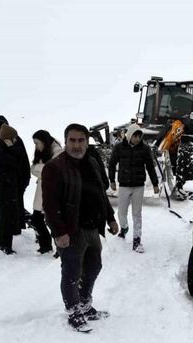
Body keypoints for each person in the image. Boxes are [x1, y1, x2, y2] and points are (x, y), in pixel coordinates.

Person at [42, 123, 119, 331]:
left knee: (94, 267)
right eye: (72, 141)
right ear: (65, 142)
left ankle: (85, 303)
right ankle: (73, 310)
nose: (77, 145)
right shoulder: (54, 168)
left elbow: (100, 194)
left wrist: (110, 218)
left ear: (87, 141)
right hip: (71, 231)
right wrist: (59, 232)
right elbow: (49, 205)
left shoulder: (92, 162)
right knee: (72, 272)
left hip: (93, 228)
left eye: (81, 140)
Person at [108, 124, 160, 253]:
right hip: (124, 185)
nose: (137, 139)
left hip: (138, 186)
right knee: (121, 212)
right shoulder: (119, 148)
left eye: (139, 136)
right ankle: (124, 228)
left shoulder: (144, 148)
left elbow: (150, 167)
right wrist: (112, 180)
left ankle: (137, 240)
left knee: (137, 214)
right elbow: (112, 164)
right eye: (135, 136)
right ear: (130, 135)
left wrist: (155, 184)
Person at [0, 115, 31, 229]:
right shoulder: (6, 140)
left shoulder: (13, 139)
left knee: (16, 205)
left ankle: (25, 224)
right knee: (15, 206)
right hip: (12, 180)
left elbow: (20, 160)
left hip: (18, 179)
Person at [0, 124, 24, 254]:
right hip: (3, 188)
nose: (15, 141)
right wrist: (12, 148)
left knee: (8, 217)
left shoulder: (4, 149)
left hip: (8, 187)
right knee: (5, 217)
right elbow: (16, 163)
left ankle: (5, 243)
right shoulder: (0, 151)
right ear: (6, 139)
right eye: (13, 139)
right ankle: (3, 244)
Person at [30, 130, 63, 254]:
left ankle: (59, 248)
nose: (36, 146)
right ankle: (45, 245)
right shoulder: (42, 151)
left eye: (37, 143)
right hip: (42, 189)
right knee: (37, 219)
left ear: (44, 141)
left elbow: (51, 171)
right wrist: (41, 171)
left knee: (52, 220)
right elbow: (33, 169)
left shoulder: (58, 151)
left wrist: (39, 170)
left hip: (53, 191)